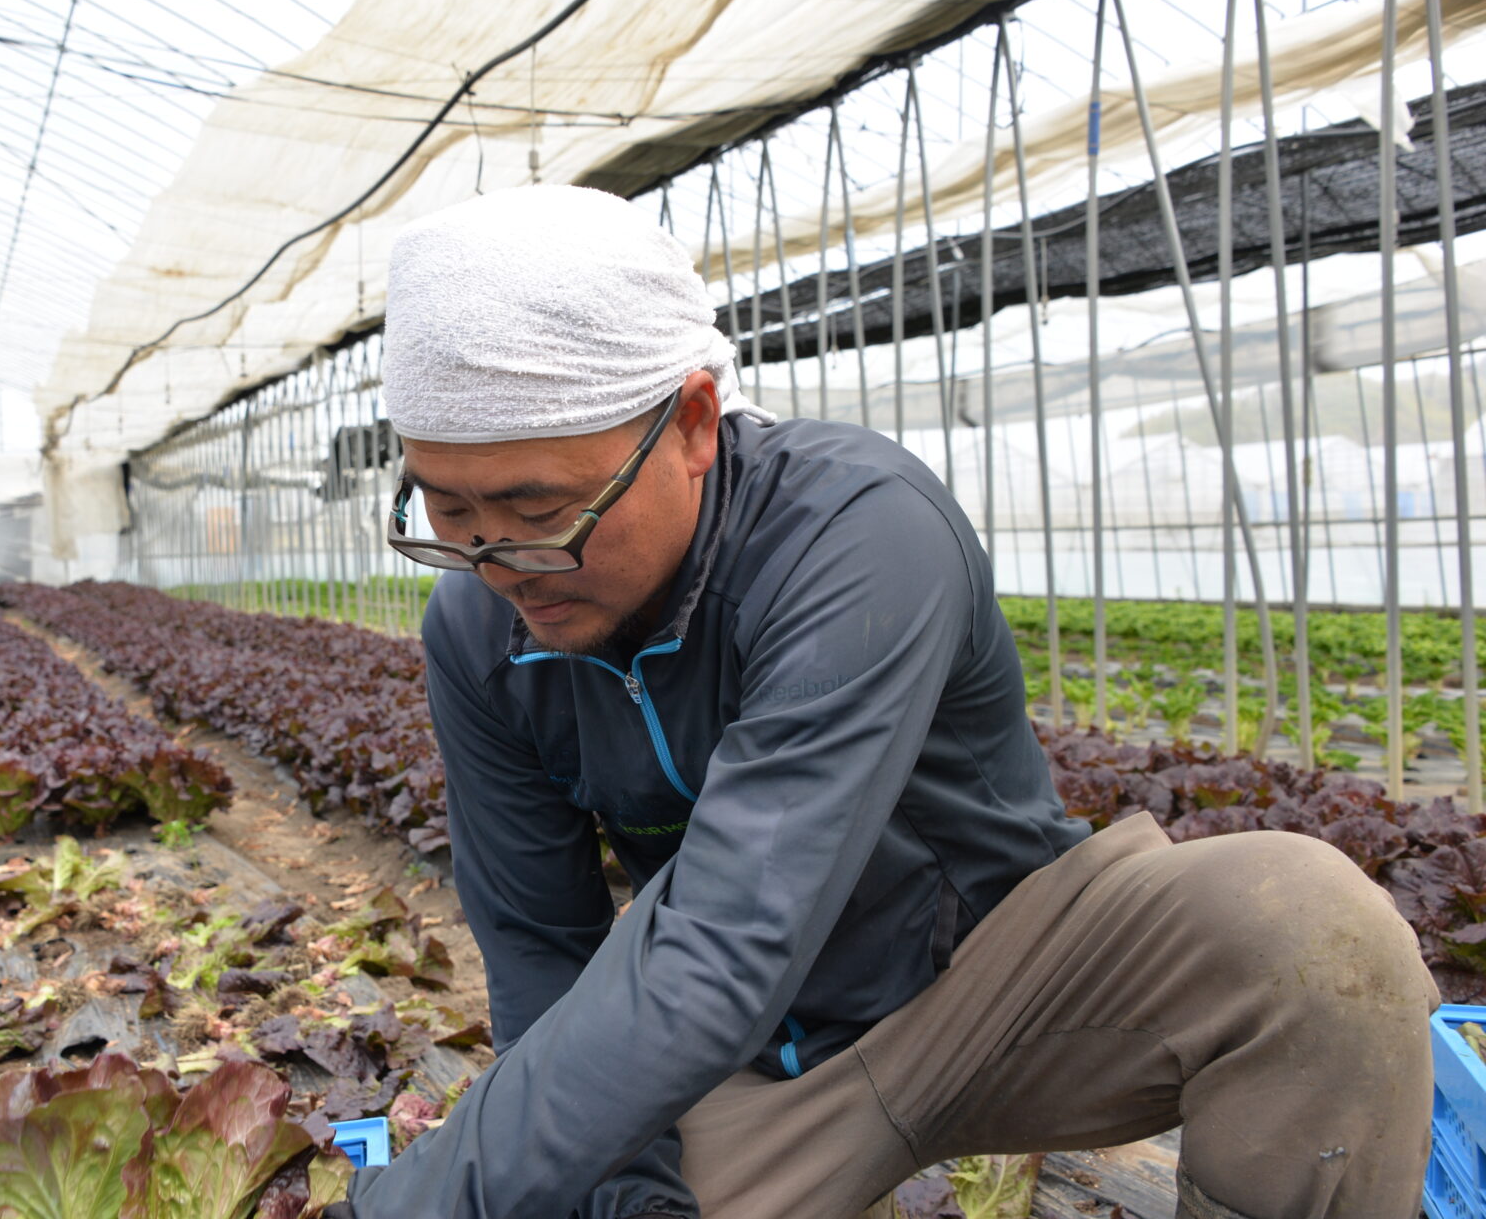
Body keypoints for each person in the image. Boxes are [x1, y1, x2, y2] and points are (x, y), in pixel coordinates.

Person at [325, 186, 1436, 1219]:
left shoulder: (854, 530)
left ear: (697, 422)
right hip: (748, 1063)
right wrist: (628, 1192)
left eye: (536, 505)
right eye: (449, 508)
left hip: (1008, 989)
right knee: (566, 1177)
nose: (500, 559)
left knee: (1297, 925)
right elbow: (539, 958)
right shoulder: (477, 632)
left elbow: (725, 937)